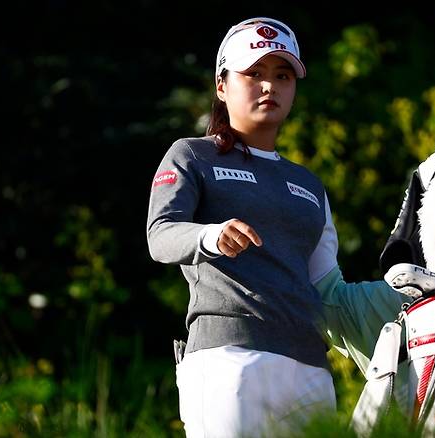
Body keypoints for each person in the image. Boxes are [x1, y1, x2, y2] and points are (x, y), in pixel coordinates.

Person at [147, 16, 343, 437]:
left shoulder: (310, 185)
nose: (269, 85)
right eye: (253, 73)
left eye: (282, 74)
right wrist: (211, 235)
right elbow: (160, 235)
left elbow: (328, 288)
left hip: (311, 370)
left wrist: (403, 299)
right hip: (227, 360)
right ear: (222, 85)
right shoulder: (192, 156)